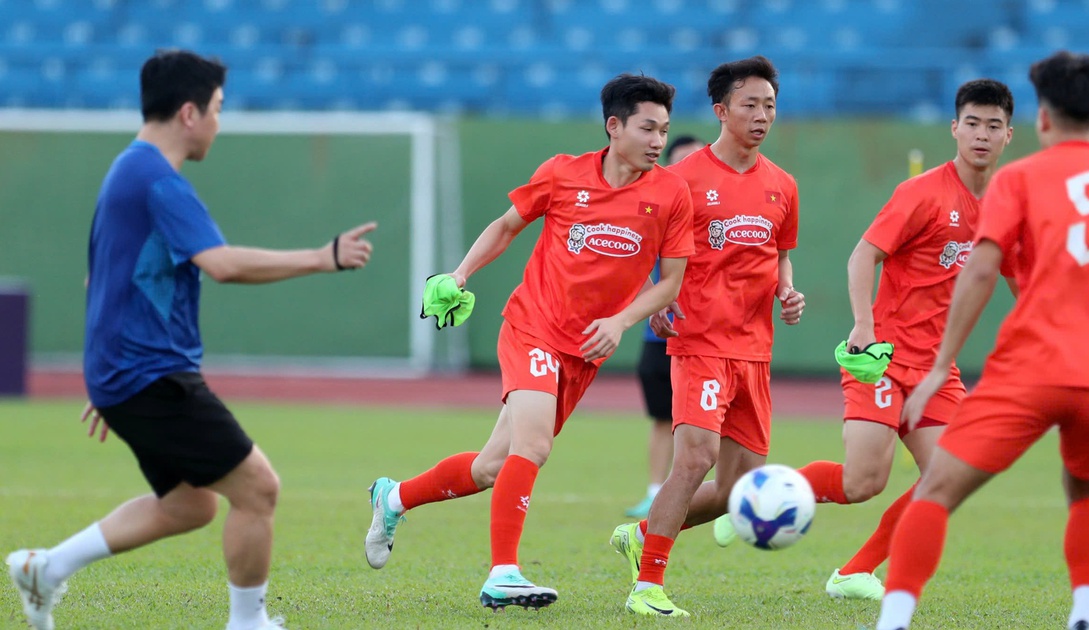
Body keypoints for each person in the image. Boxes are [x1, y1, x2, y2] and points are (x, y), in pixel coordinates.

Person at [4, 50, 377, 630]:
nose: (219, 123)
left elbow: (99, 277)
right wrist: (323, 257)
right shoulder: (156, 182)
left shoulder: (126, 171)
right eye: (219, 109)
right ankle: (248, 624)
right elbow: (223, 264)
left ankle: (46, 568)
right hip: (148, 374)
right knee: (259, 489)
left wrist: (108, 380)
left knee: (191, 502)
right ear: (188, 113)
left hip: (131, 374)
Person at [875, 51, 1089, 630]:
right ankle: (1087, 614)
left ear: (1042, 119)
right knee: (1088, 494)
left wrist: (940, 365)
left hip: (1031, 371)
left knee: (937, 490)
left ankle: (894, 619)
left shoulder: (1017, 179)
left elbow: (980, 270)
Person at [362, 73, 695, 610]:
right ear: (614, 127)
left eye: (664, 130)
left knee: (493, 468)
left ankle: (393, 497)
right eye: (648, 128)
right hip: (532, 325)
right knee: (534, 446)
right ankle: (503, 573)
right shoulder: (563, 173)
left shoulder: (671, 193)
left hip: (584, 351)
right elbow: (506, 225)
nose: (659, 141)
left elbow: (672, 283)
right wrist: (461, 273)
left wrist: (624, 319)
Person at [734, 79, 1016, 601]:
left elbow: (1023, 281)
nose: (981, 135)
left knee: (947, 478)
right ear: (955, 129)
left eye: (993, 126)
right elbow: (863, 256)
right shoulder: (923, 192)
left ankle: (853, 572)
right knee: (864, 482)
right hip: (882, 355)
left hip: (938, 369)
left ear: (1009, 136)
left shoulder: (1007, 206)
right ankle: (757, 499)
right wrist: (863, 326)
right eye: (972, 123)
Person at [609, 55, 804, 617]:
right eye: (750, 104)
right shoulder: (682, 178)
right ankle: (647, 586)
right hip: (698, 341)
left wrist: (787, 292)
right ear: (721, 110)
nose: (762, 115)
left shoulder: (783, 186)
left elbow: (780, 256)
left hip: (755, 350)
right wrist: (649, 303)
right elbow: (642, 244)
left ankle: (641, 533)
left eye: (770, 105)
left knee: (735, 493)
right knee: (695, 459)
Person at [625, 134, 707, 520]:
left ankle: (717, 495)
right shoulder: (660, 207)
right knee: (662, 416)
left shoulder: (719, 211)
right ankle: (655, 492)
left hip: (709, 333)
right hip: (660, 332)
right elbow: (635, 254)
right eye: (681, 161)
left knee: (706, 423)